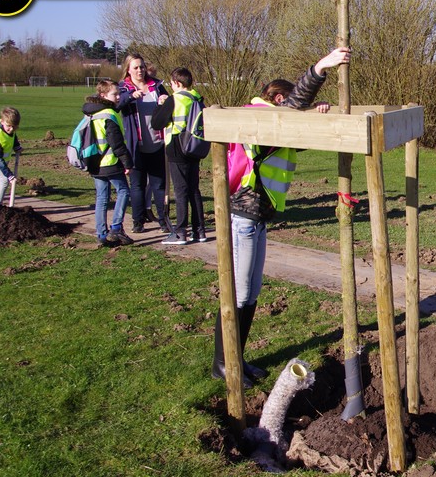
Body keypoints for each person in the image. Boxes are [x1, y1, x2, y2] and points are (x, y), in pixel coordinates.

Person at [212, 46, 350, 388]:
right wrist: (321, 67)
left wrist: (313, 117)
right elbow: (291, 109)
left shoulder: (273, 124)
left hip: (258, 217)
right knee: (239, 293)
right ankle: (223, 363)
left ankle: (236, 358)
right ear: (277, 99)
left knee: (251, 293)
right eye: (291, 105)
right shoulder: (257, 118)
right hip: (243, 217)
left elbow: (292, 142)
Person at [117, 53, 172, 234]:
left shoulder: (156, 85)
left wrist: (165, 101)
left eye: (142, 67)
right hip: (136, 146)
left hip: (157, 143)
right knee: (137, 186)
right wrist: (131, 96)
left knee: (159, 185)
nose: (140, 70)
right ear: (128, 70)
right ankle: (138, 221)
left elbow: (171, 105)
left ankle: (164, 221)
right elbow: (116, 105)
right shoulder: (123, 88)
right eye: (135, 67)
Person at [151, 67, 206, 245]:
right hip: (194, 146)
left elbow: (157, 123)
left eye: (172, 83)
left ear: (177, 83)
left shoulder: (174, 99)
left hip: (177, 147)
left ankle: (180, 232)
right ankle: (199, 230)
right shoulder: (197, 98)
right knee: (194, 190)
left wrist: (160, 105)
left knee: (181, 190)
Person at [83, 80, 135, 247]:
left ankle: (101, 233)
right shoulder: (109, 114)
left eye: (119, 93)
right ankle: (116, 227)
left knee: (102, 197)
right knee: (124, 191)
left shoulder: (90, 112)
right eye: (115, 94)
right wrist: (127, 163)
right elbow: (117, 143)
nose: (119, 97)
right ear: (103, 95)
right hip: (110, 162)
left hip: (94, 161)